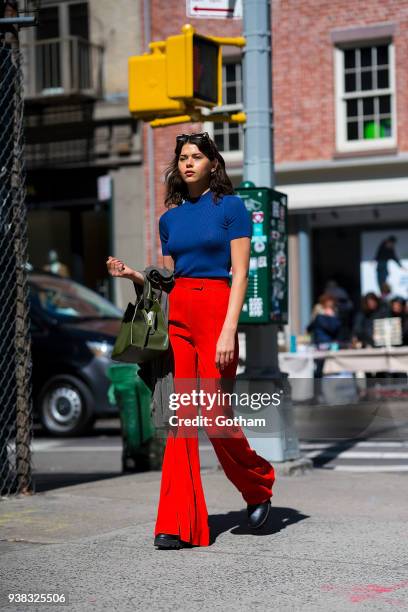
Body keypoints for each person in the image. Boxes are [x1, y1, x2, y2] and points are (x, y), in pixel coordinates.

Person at [106, 131, 274, 550]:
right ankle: (177, 523)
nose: (188, 162)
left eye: (197, 156)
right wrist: (133, 275)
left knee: (216, 416)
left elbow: (240, 275)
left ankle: (258, 487)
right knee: (180, 420)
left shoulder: (232, 208)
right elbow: (169, 281)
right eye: (183, 157)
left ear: (213, 164)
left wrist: (229, 330)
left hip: (217, 314)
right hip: (178, 316)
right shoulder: (170, 220)